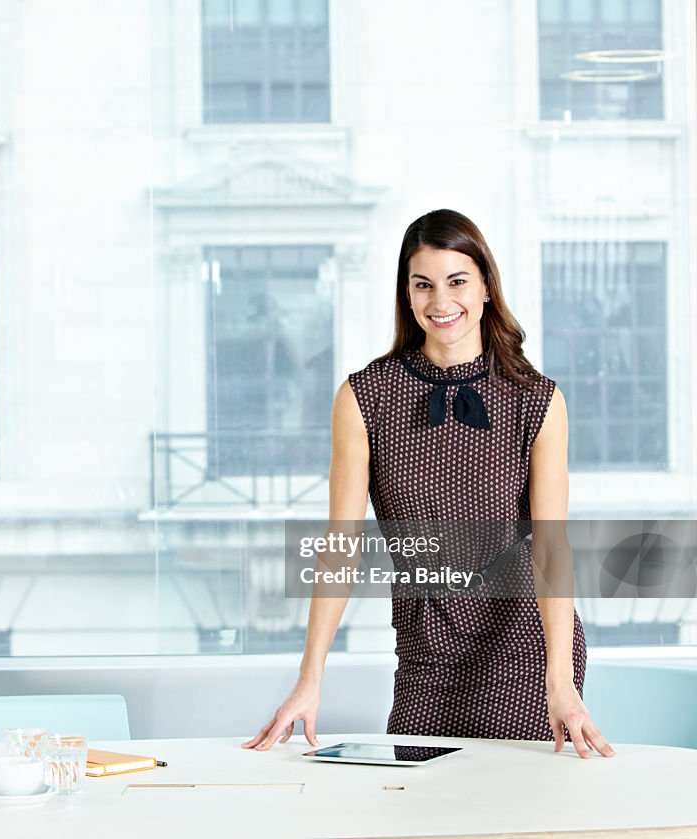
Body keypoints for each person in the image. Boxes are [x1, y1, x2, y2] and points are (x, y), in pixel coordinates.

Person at [243, 209, 615, 759]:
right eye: (424, 285)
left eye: (457, 281)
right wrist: (309, 678)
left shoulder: (537, 400)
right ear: (407, 294)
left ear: (486, 286)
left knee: (510, 810)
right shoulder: (363, 398)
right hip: (425, 651)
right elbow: (340, 547)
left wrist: (558, 685)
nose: (441, 302)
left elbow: (551, 547)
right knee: (415, 806)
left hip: (522, 648)